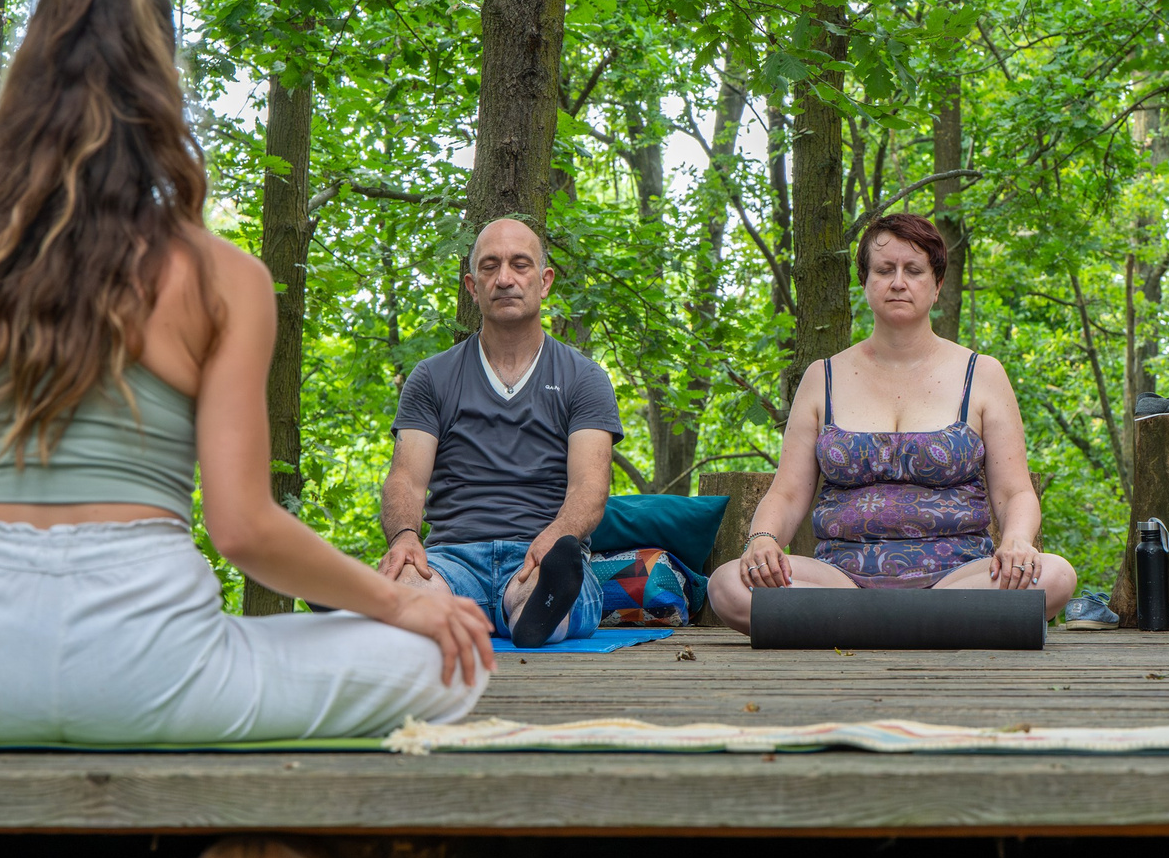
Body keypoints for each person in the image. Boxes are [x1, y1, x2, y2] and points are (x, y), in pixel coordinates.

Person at [0, 0, 491, 743]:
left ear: (25, 87)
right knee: (449, 657)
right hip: (161, 678)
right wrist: (402, 602)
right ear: (163, 90)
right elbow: (244, 531)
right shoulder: (225, 276)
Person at [707, 212, 1074, 630]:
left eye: (913, 270)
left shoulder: (983, 373)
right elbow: (788, 493)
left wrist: (1017, 541)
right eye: (885, 270)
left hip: (960, 579)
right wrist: (762, 540)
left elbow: (1014, 492)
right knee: (728, 585)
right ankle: (926, 625)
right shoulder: (822, 376)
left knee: (1055, 575)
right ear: (865, 281)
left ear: (937, 285)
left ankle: (862, 625)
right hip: (838, 581)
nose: (899, 282)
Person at [377, 218, 620, 648]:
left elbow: (590, 486)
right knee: (413, 583)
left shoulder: (585, 379)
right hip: (450, 560)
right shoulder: (431, 377)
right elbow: (406, 480)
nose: (505, 279)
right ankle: (374, 601)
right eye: (490, 267)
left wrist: (559, 533)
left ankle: (536, 614)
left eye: (520, 265)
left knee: (539, 588)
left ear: (545, 281)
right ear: (472, 287)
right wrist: (405, 538)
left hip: (542, 555)